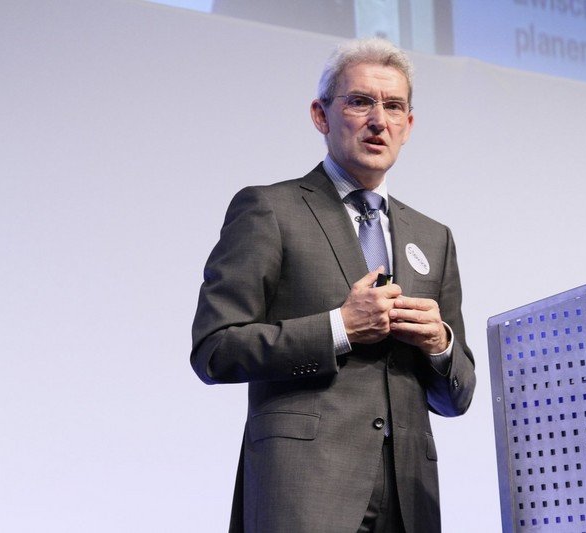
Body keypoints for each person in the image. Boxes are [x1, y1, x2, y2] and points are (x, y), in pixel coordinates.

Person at [190, 38, 475, 533]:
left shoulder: (434, 237)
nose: (378, 120)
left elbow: (458, 396)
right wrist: (339, 328)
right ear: (321, 116)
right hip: (305, 493)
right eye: (360, 101)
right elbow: (215, 349)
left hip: (409, 499)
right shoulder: (270, 210)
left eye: (394, 107)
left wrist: (439, 345)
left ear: (408, 126)